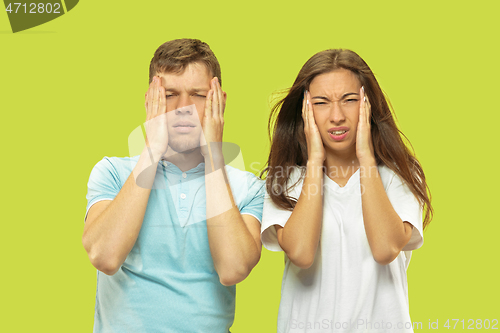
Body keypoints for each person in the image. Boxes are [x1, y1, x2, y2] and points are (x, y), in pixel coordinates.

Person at [83, 39, 264, 333]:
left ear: (220, 101)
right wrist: (152, 150)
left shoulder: (247, 187)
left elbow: (233, 269)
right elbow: (104, 256)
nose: (184, 108)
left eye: (198, 95)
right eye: (169, 95)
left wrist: (213, 156)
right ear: (149, 100)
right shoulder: (113, 173)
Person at [261, 49, 433, 333]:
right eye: (321, 102)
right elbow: (302, 253)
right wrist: (315, 162)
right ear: (305, 109)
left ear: (367, 104)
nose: (337, 116)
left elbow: (385, 248)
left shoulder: (399, 174)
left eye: (349, 100)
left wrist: (366, 158)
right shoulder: (285, 177)